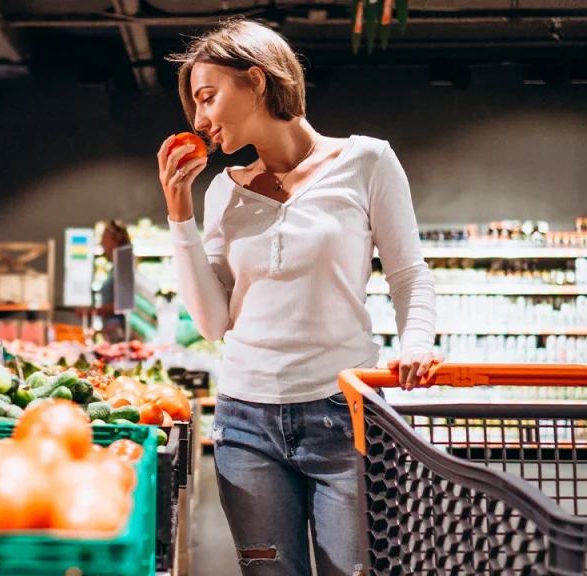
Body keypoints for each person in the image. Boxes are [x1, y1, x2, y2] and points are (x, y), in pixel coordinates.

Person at [158, 19, 438, 576]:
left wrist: (418, 343)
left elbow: (409, 273)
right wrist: (178, 213)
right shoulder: (221, 191)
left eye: (208, 97)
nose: (199, 120)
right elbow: (214, 322)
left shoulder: (367, 162)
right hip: (244, 424)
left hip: (345, 417)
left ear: (257, 82)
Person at [94, 220, 132, 342]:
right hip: (112, 330)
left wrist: (93, 310)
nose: (101, 243)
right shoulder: (116, 266)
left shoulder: (123, 266)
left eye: (104, 238)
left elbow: (124, 303)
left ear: (115, 240)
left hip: (119, 332)